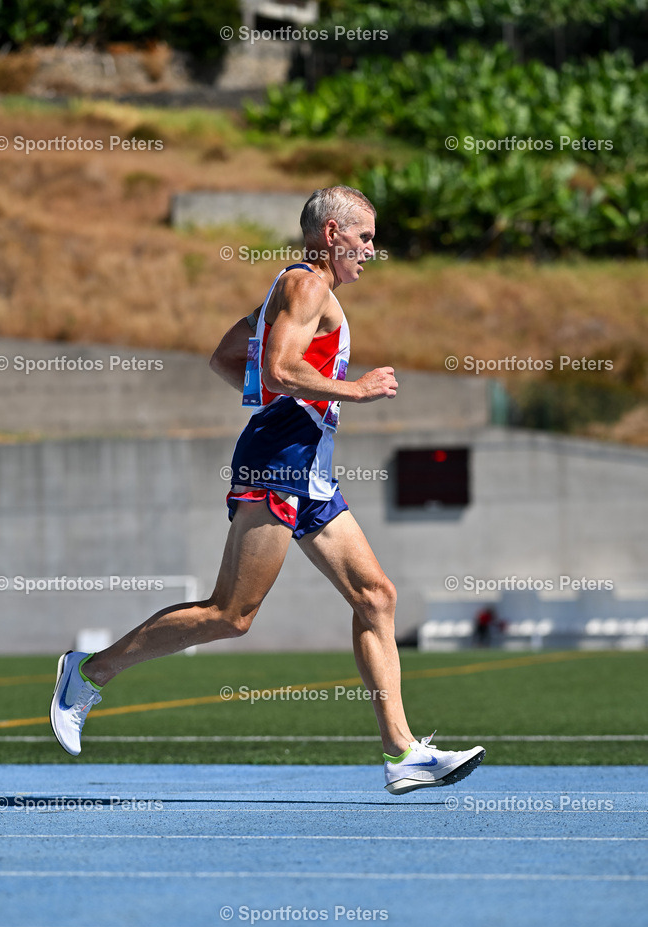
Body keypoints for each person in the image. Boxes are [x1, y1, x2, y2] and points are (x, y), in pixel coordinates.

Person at [50, 185, 485, 794]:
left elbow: (230, 360)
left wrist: (280, 404)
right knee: (232, 615)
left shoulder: (294, 287)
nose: (370, 250)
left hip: (305, 466)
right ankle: (88, 674)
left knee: (376, 596)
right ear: (331, 234)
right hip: (279, 464)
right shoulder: (309, 286)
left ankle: (402, 753)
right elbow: (277, 368)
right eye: (364, 238)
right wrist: (353, 391)